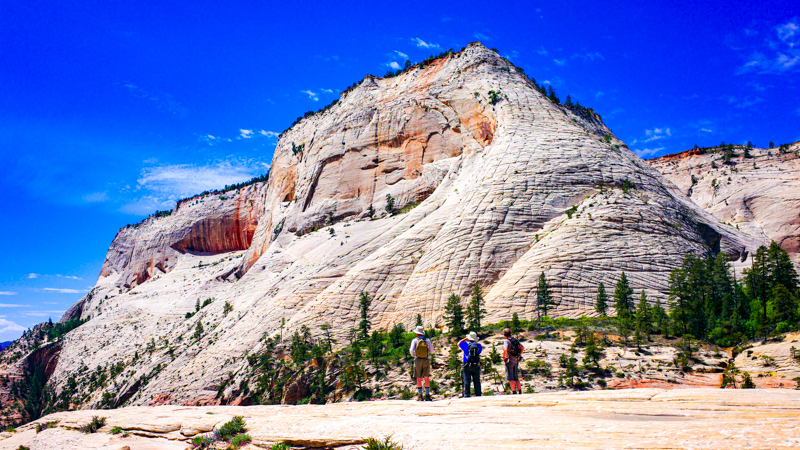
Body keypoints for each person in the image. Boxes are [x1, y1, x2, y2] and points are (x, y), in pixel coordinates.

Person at [409, 325, 434, 401]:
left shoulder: (415, 340)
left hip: (418, 360)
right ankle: (427, 395)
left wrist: (415, 356)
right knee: (426, 377)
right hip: (426, 359)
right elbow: (432, 351)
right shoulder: (427, 340)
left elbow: (411, 351)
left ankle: (420, 395)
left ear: (417, 333)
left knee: (419, 378)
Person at [458, 331, 482, 397]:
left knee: (467, 380)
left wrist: (465, 338)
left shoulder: (465, 344)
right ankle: (478, 394)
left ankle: (467, 395)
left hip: (467, 364)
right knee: (477, 380)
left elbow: (458, 343)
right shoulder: (478, 345)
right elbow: (479, 353)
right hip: (476, 364)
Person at [503, 328, 524, 394]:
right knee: (516, 378)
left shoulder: (506, 341)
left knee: (510, 378)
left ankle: (514, 392)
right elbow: (522, 348)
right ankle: (520, 391)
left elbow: (505, 349)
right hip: (516, 360)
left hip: (509, 360)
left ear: (504, 335)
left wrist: (504, 357)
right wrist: (519, 355)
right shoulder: (515, 340)